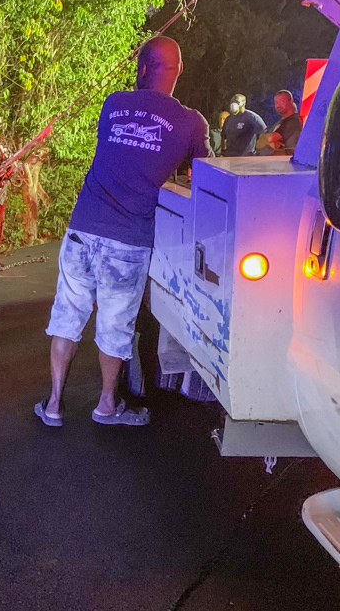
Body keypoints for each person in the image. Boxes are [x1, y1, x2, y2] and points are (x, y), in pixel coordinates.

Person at [35, 36, 210, 428]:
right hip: (128, 241)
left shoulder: (113, 104)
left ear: (142, 67)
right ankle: (106, 405)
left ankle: (54, 406)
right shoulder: (190, 122)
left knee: (67, 318)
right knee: (115, 328)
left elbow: (119, 155)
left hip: (82, 230)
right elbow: (206, 178)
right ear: (179, 70)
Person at [257, 90, 303, 156]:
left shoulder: (294, 120)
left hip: (285, 162)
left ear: (291, 101)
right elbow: (258, 144)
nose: (278, 105)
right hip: (272, 162)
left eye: (282, 101)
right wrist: (268, 141)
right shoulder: (278, 123)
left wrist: (265, 139)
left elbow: (272, 138)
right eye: (276, 102)